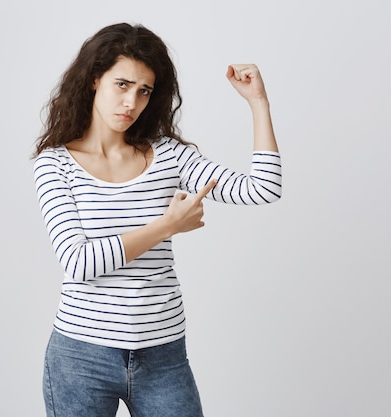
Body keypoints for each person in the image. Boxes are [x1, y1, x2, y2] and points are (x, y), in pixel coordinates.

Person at [32, 22, 282, 417]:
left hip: (163, 355)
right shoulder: (56, 164)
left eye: (143, 91)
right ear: (95, 79)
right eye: (122, 84)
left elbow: (261, 189)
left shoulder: (167, 155)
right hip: (81, 356)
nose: (131, 101)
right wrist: (166, 226)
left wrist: (258, 104)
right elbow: (78, 262)